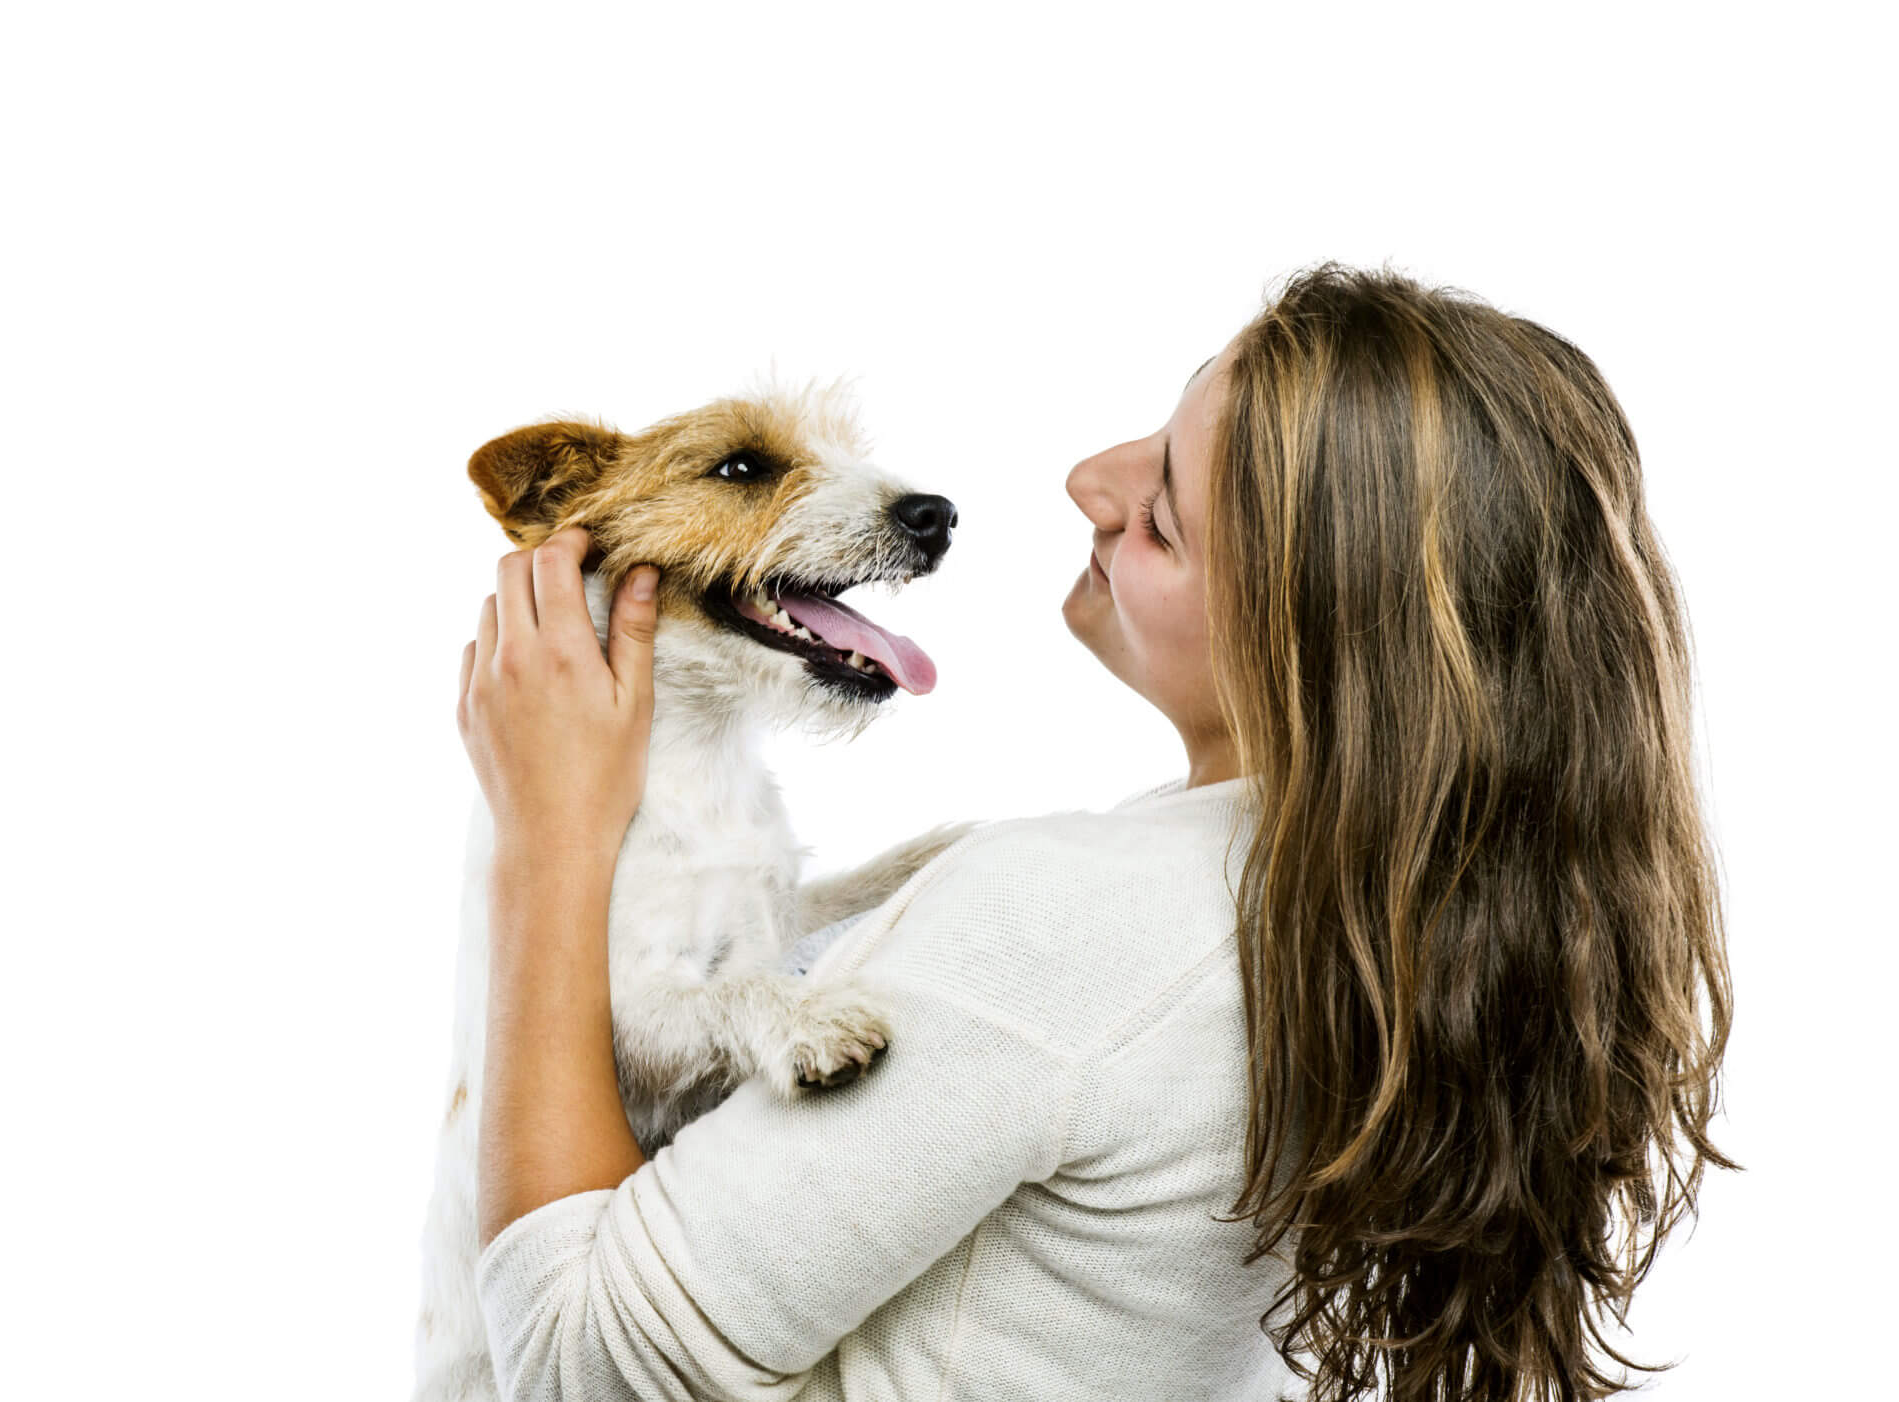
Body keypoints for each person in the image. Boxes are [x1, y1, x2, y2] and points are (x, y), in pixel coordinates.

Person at [454, 261, 1736, 1402]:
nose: (1086, 479)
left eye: (1165, 510)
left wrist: (546, 837)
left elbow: (579, 1366)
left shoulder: (1068, 924)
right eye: (1153, 429)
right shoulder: (1346, 920)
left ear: (1315, 638)